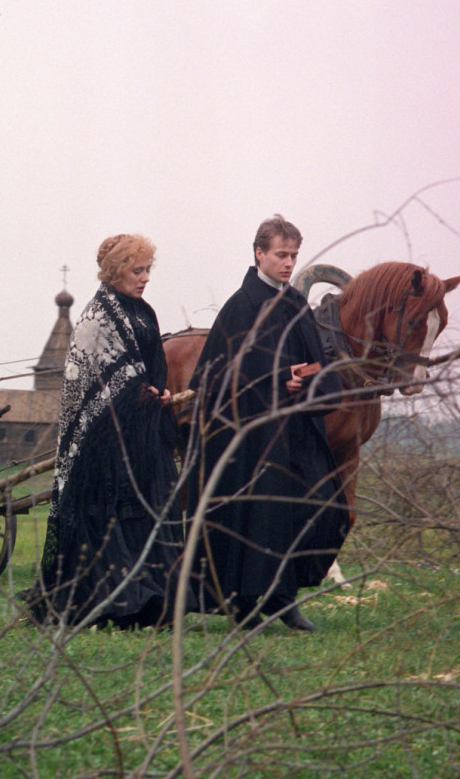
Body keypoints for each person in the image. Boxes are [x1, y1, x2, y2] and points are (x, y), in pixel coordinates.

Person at [189, 214, 348, 632]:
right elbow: (214, 378)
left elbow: (318, 365)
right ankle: (243, 602)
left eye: (293, 255)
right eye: (280, 254)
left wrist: (306, 381)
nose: (288, 263)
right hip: (252, 439)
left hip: (296, 432)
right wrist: (276, 381)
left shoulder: (296, 304)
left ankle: (284, 598)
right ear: (259, 254)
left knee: (316, 506)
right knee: (256, 519)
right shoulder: (240, 307)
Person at [24, 234, 184, 629]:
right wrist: (138, 392)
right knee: (113, 519)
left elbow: (153, 364)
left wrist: (160, 391)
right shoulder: (95, 318)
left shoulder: (144, 312)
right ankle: (119, 603)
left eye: (147, 270)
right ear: (115, 272)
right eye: (137, 271)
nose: (145, 278)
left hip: (144, 434)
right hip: (106, 442)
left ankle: (154, 603)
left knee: (153, 512)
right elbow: (92, 384)